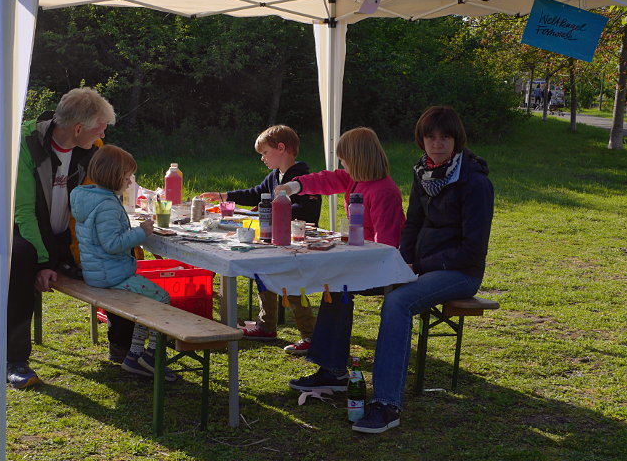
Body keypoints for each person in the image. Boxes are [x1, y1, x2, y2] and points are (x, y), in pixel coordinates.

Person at [352, 106, 494, 434]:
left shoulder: (475, 181)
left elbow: (473, 247)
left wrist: (421, 266)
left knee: (399, 303)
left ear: (457, 139)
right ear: (422, 140)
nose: (437, 143)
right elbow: (413, 222)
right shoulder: (423, 172)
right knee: (346, 281)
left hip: (459, 272)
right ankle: (331, 370)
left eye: (445, 137)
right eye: (431, 137)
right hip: (422, 266)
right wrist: (401, 262)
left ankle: (387, 405)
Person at [0, 87, 117, 389]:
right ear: (78, 128)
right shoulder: (26, 144)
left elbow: (95, 202)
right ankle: (16, 360)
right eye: (101, 125)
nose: (104, 131)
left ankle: (126, 347)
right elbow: (23, 212)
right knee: (21, 258)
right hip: (18, 232)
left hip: (61, 236)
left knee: (115, 251)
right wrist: (44, 261)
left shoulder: (93, 147)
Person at [280, 127, 406, 392]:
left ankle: (332, 370)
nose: (341, 164)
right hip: (362, 260)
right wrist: (294, 185)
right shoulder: (353, 179)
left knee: (337, 286)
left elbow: (387, 247)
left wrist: (352, 257)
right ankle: (331, 368)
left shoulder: (384, 191)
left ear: (358, 158)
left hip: (384, 268)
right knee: (334, 284)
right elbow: (325, 179)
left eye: (344, 159)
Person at [200, 125, 321, 355]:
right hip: (273, 238)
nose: (263, 158)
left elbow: (306, 210)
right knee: (263, 274)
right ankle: (266, 326)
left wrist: (268, 209)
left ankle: (310, 336)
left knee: (292, 285)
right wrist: (224, 196)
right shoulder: (276, 175)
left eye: (265, 153)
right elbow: (256, 193)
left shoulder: (303, 177)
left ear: (281, 148)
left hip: (296, 241)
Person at [70, 145, 176, 380]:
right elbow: (113, 243)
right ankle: (149, 355)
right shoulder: (107, 205)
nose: (130, 183)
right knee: (162, 298)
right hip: (111, 275)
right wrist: (142, 232)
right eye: (127, 178)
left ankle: (136, 354)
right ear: (114, 176)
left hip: (97, 272)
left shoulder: (88, 197)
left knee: (148, 299)